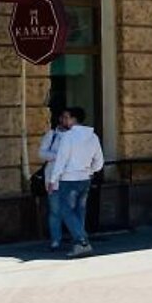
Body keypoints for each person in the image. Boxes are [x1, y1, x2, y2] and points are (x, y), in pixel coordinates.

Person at [45, 106, 104, 257]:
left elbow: (61, 160)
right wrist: (91, 171)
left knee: (65, 210)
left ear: (73, 119)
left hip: (68, 179)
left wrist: (53, 180)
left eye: (67, 117)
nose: (64, 120)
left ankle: (82, 241)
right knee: (79, 211)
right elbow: (99, 161)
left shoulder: (68, 137)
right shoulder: (93, 136)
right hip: (85, 178)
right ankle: (79, 241)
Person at [36, 108, 70, 247]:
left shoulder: (76, 136)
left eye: (69, 118)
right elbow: (42, 153)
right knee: (55, 210)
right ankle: (56, 239)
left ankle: (77, 237)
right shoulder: (52, 135)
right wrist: (58, 157)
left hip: (71, 179)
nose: (67, 120)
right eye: (64, 117)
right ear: (60, 119)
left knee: (72, 210)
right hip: (53, 179)